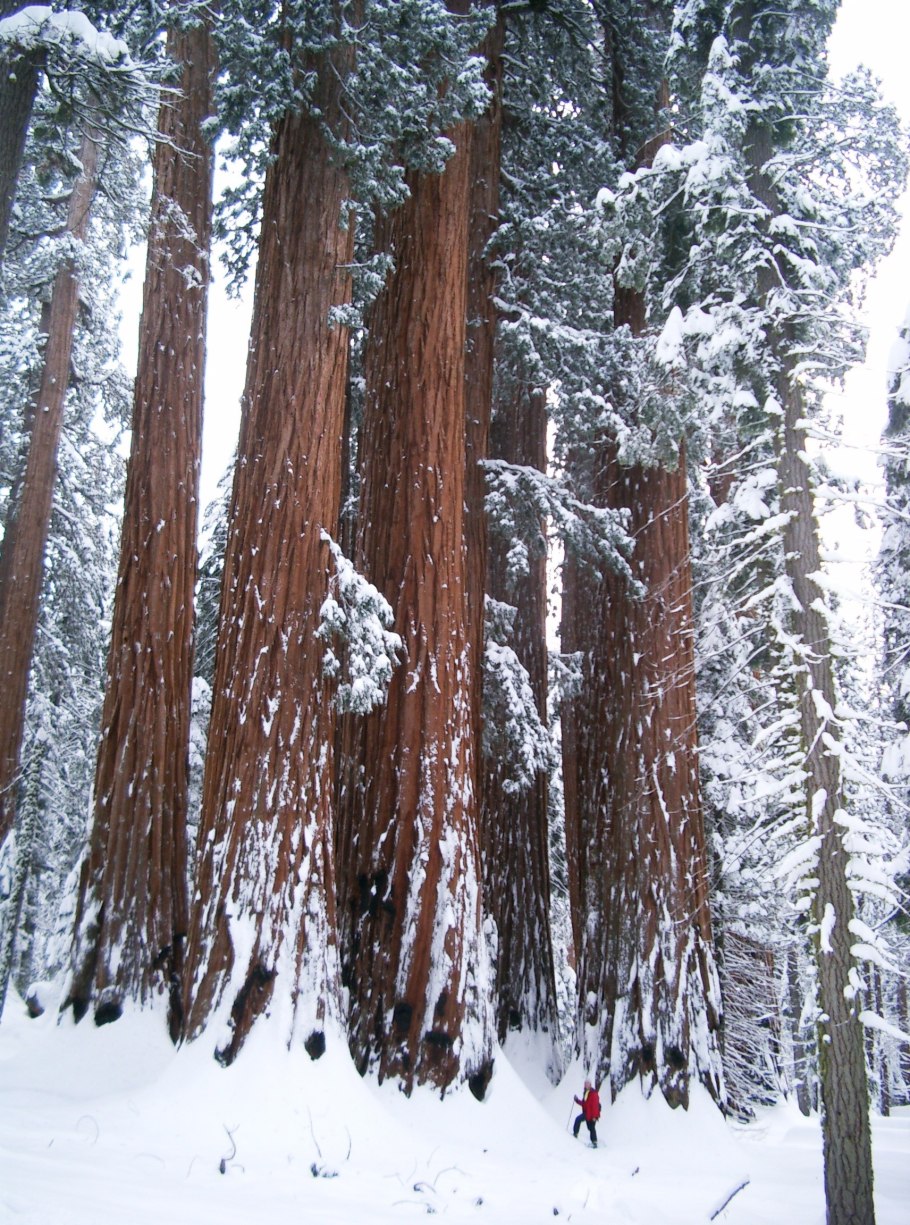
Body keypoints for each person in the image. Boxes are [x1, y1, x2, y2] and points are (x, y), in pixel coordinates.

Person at [572, 1079, 601, 1147]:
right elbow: (584, 1104)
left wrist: (594, 1117)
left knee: (589, 1126)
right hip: (588, 1113)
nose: (586, 1085)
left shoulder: (593, 1093)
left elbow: (595, 1106)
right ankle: (594, 1142)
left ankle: (594, 1143)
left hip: (591, 1114)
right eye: (585, 1083)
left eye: (587, 1083)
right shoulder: (586, 1092)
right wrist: (577, 1100)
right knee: (590, 1127)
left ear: (590, 1085)